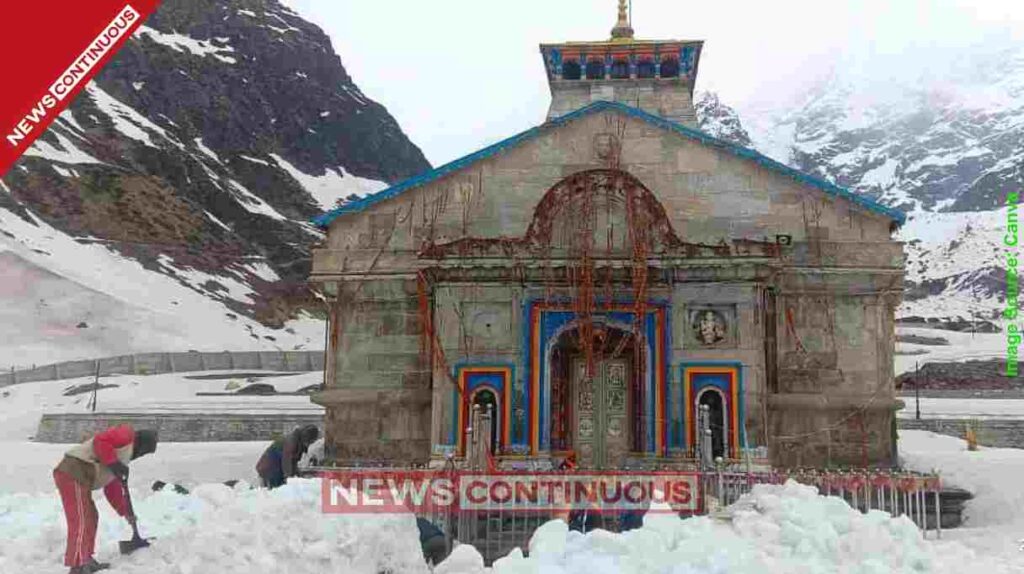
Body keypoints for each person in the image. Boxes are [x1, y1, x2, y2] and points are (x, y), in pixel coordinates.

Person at [53, 424, 158, 574]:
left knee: (91, 517)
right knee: (81, 519)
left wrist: (126, 512)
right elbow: (100, 441)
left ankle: (86, 560)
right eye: (144, 452)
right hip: (73, 471)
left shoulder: (121, 457)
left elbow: (112, 489)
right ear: (142, 445)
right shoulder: (126, 434)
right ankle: (77, 566)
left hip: (83, 477)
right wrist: (114, 464)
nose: (140, 455)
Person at [255, 425, 319, 488]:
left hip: (278, 467)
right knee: (277, 490)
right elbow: (286, 461)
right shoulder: (291, 441)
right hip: (270, 468)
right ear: (305, 437)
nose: (309, 444)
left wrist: (297, 475)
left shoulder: (299, 442)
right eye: (309, 441)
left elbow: (293, 461)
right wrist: (289, 478)